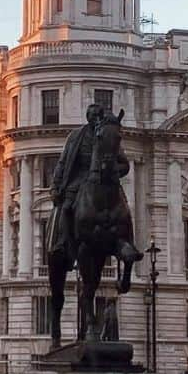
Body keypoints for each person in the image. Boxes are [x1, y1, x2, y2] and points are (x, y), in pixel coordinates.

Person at [48, 103, 132, 264]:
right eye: (91, 115)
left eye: (96, 115)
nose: (94, 118)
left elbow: (125, 164)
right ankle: (62, 242)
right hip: (79, 177)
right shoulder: (75, 136)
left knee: (125, 210)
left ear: (100, 117)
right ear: (87, 117)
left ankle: (130, 242)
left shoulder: (108, 135)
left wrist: (113, 168)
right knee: (65, 207)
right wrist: (55, 186)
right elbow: (63, 162)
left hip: (105, 179)